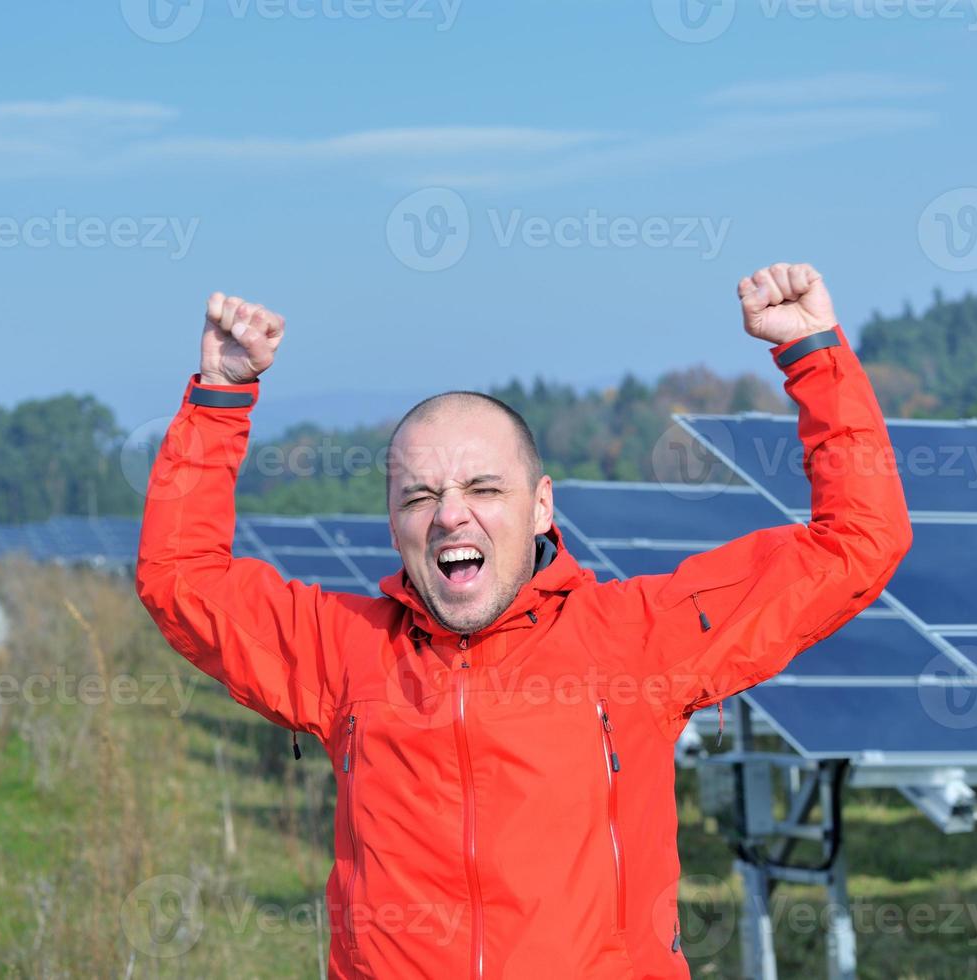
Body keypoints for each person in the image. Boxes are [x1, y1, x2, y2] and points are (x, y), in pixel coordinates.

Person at [136, 263, 912, 979]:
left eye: (484, 488)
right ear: (393, 523)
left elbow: (858, 543)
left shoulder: (639, 637)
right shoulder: (345, 651)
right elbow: (180, 578)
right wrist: (218, 398)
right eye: (418, 497)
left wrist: (814, 355)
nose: (450, 517)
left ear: (541, 505)